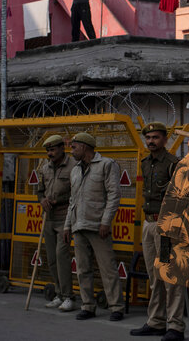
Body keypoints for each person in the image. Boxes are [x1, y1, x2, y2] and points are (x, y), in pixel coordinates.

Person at [130, 122, 185, 341]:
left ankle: (175, 326)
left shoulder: (173, 164)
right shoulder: (145, 163)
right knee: (154, 276)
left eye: (155, 137)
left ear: (164, 140)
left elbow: (182, 196)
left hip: (166, 225)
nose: (151, 141)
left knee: (170, 275)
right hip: (149, 224)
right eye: (148, 138)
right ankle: (156, 322)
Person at [63, 132, 124, 321]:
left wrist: (106, 221)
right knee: (82, 269)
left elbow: (114, 195)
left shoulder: (106, 165)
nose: (71, 150)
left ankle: (116, 307)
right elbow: (72, 200)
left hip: (98, 226)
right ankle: (88, 306)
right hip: (78, 225)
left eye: (74, 147)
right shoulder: (75, 170)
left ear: (85, 147)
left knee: (108, 268)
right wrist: (67, 225)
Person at [37, 135, 75, 312]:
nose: (50, 154)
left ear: (62, 148)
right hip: (49, 218)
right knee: (51, 259)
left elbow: (77, 193)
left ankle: (68, 296)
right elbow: (38, 191)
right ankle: (59, 294)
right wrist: (42, 200)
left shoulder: (74, 166)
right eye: (48, 151)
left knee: (62, 256)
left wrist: (59, 199)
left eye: (52, 150)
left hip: (65, 217)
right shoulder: (44, 168)